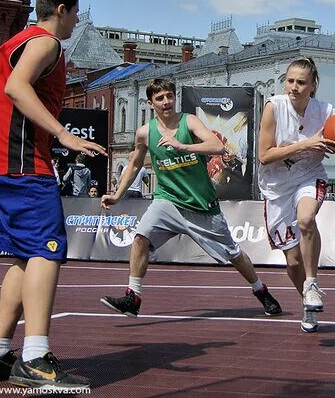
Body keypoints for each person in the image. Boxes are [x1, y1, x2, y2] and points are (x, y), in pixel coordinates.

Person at [0, 0, 105, 390]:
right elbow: (17, 86)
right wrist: (63, 133)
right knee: (47, 250)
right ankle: (35, 356)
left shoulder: (18, 39)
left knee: (24, 257)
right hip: (22, 164)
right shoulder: (46, 43)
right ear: (61, 10)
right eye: (75, 13)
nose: (77, 21)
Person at [100, 78, 282, 319]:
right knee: (141, 237)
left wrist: (182, 146)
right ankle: (133, 297)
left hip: (201, 205)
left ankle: (261, 290)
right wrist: (117, 195)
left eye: (169, 96)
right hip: (167, 201)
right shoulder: (145, 133)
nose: (166, 102)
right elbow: (134, 164)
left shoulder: (189, 121)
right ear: (150, 103)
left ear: (174, 98)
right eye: (160, 98)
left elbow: (218, 147)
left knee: (233, 254)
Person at [258, 57, 335, 333]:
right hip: (276, 186)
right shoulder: (274, 107)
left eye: (301, 82)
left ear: (313, 86)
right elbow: (263, 155)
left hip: (309, 175)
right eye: (290, 81)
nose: (294, 87)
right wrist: (306, 143)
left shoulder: (326, 111)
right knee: (292, 260)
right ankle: (307, 301)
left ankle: (312, 282)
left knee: (306, 219)